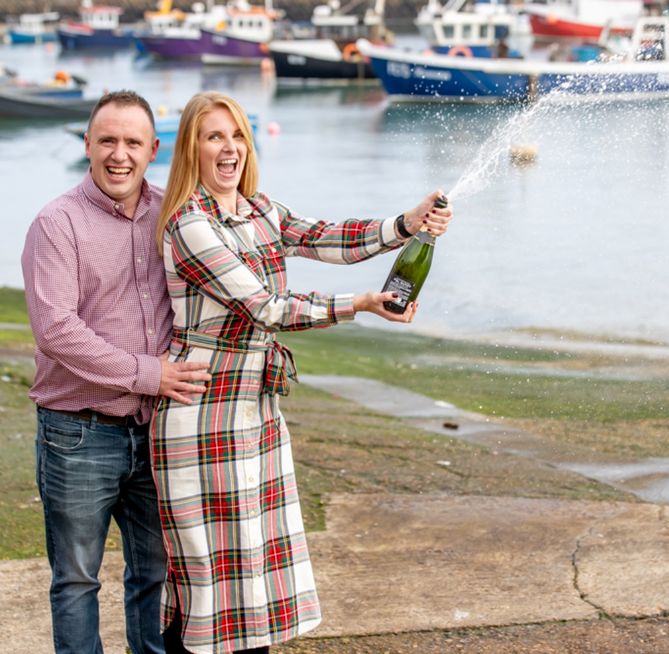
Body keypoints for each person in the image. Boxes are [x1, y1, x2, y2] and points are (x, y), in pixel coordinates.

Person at [151, 91, 453, 654]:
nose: (229, 148)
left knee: (256, 581)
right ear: (189, 146)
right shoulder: (188, 224)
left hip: (256, 411)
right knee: (204, 586)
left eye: (237, 135)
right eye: (214, 136)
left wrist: (406, 225)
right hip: (200, 417)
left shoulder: (259, 209)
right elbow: (264, 307)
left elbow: (325, 237)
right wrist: (359, 304)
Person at [21, 89, 212, 654]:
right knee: (77, 580)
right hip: (77, 433)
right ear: (87, 144)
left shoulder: (175, 215)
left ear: (156, 149)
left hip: (157, 432)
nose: (119, 154)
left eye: (133, 142)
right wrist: (149, 373)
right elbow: (56, 330)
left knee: (155, 576)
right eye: (107, 140)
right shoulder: (56, 224)